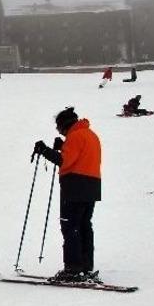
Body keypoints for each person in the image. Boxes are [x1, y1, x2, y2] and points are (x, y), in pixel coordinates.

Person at [32, 107, 102, 282]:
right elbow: (79, 157)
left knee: (70, 226)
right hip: (92, 185)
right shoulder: (89, 134)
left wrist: (46, 151)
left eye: (58, 127)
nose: (59, 131)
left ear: (64, 125)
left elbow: (65, 161)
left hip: (75, 186)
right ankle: (85, 267)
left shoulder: (75, 136)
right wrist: (63, 147)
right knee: (84, 225)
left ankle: (72, 269)